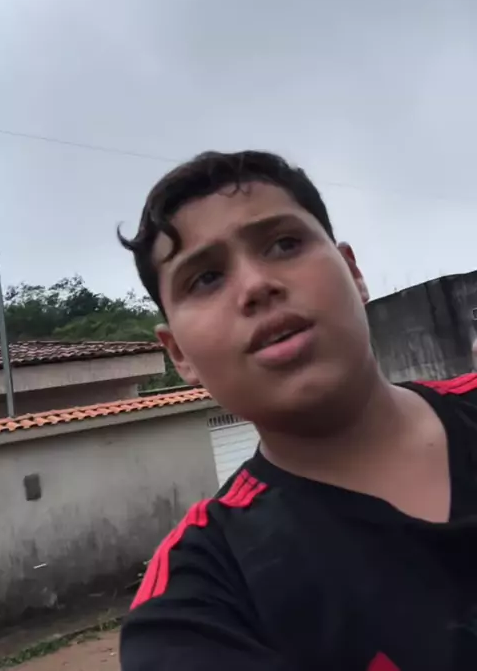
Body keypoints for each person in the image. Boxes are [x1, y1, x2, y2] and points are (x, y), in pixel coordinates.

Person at [119, 150, 477, 671]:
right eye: (206, 278)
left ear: (353, 272)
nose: (256, 286)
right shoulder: (199, 597)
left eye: (284, 244)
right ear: (179, 355)